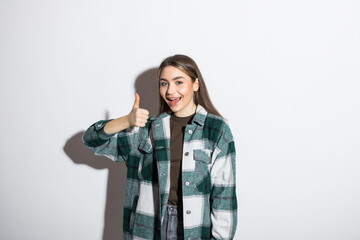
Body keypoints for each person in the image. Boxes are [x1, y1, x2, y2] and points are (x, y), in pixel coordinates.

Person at [82, 54, 237, 240]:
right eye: (164, 83)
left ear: (195, 84)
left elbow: (224, 196)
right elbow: (91, 140)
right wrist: (126, 121)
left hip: (194, 228)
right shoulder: (147, 129)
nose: (170, 91)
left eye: (179, 82)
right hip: (147, 225)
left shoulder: (216, 130)